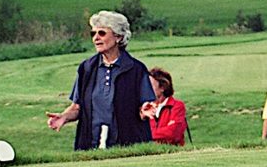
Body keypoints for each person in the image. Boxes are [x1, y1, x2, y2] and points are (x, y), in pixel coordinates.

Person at [46, 11, 154, 150]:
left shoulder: (136, 69)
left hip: (128, 146)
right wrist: (64, 117)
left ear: (118, 37)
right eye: (93, 34)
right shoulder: (86, 68)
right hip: (90, 144)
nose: (96, 38)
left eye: (102, 33)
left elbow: (145, 106)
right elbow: (77, 107)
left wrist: (144, 111)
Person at [140, 67, 188, 146]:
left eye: (150, 85)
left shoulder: (176, 106)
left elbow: (174, 133)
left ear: (162, 87)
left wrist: (147, 135)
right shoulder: (145, 108)